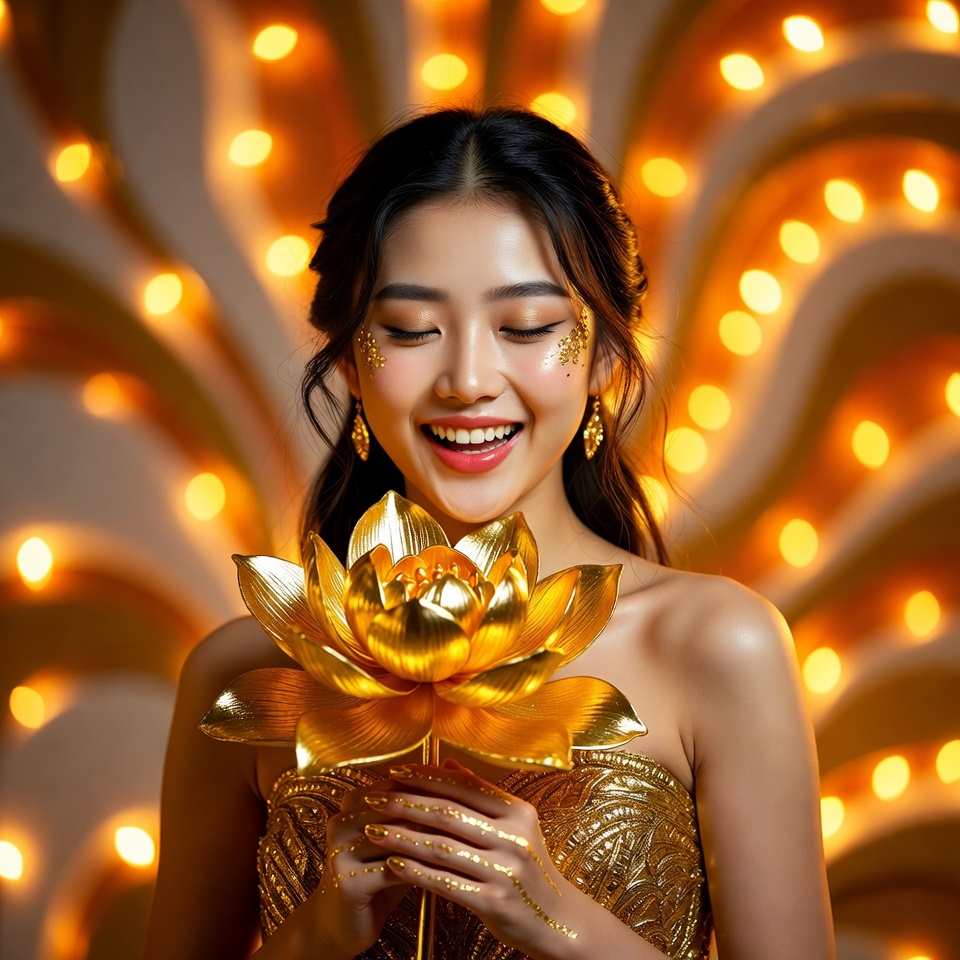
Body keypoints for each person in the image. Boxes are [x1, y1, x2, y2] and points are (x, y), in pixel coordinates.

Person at [143, 107, 835, 960]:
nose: (468, 381)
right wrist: (320, 933)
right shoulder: (247, 674)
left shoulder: (716, 645)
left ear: (607, 361)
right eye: (409, 330)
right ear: (354, 364)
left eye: (528, 327)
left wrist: (555, 915)